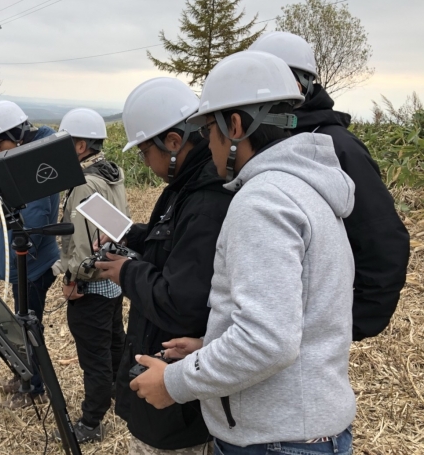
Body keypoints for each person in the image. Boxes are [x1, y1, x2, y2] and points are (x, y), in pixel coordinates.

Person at [131, 51, 356, 455]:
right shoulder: (309, 188)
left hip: (273, 440)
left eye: (209, 131)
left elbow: (266, 342)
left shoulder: (263, 202)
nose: (208, 145)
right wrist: (211, 342)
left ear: (234, 126)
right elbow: (291, 319)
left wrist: (173, 382)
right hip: (306, 428)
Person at [94, 77, 233, 454]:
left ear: (173, 142)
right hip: (168, 380)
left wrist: (126, 271)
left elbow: (181, 301)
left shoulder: (205, 200)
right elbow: (173, 242)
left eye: (143, 152)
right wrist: (132, 235)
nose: (144, 161)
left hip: (177, 401)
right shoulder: (188, 185)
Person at [249, 31, 410, 341]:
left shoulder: (337, 147)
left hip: (300, 337)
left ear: (296, 87)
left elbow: (383, 242)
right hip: (263, 325)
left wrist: (345, 325)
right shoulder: (264, 143)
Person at [50, 108, 130, 443]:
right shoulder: (112, 174)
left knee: (94, 358)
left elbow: (83, 248)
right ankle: (119, 393)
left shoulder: (83, 185)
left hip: (92, 287)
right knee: (114, 345)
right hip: (112, 283)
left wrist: (72, 280)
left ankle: (90, 422)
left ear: (80, 146)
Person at [0, 100, 60, 409]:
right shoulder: (32, 155)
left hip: (33, 263)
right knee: (23, 321)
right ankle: (27, 376)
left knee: (30, 325)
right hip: (29, 259)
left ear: (13, 136)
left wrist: (20, 259)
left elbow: (36, 217)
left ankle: (35, 386)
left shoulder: (35, 163)